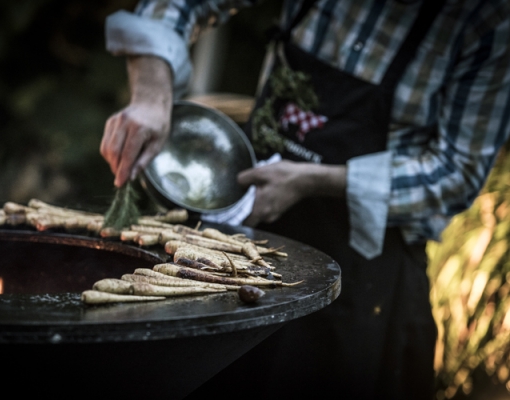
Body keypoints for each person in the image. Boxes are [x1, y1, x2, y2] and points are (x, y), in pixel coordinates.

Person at [100, 0, 510, 398]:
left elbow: (456, 173)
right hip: (241, 234)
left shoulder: (485, 17)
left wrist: (314, 180)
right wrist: (151, 97)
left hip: (363, 276)